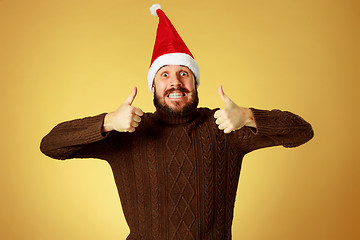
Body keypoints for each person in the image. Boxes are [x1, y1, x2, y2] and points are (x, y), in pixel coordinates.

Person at [40, 4, 314, 240]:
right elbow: (51, 145)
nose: (175, 82)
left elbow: (302, 131)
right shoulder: (128, 131)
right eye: (165, 75)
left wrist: (249, 116)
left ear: (195, 83)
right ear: (153, 85)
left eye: (184, 73)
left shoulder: (225, 127)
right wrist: (107, 122)